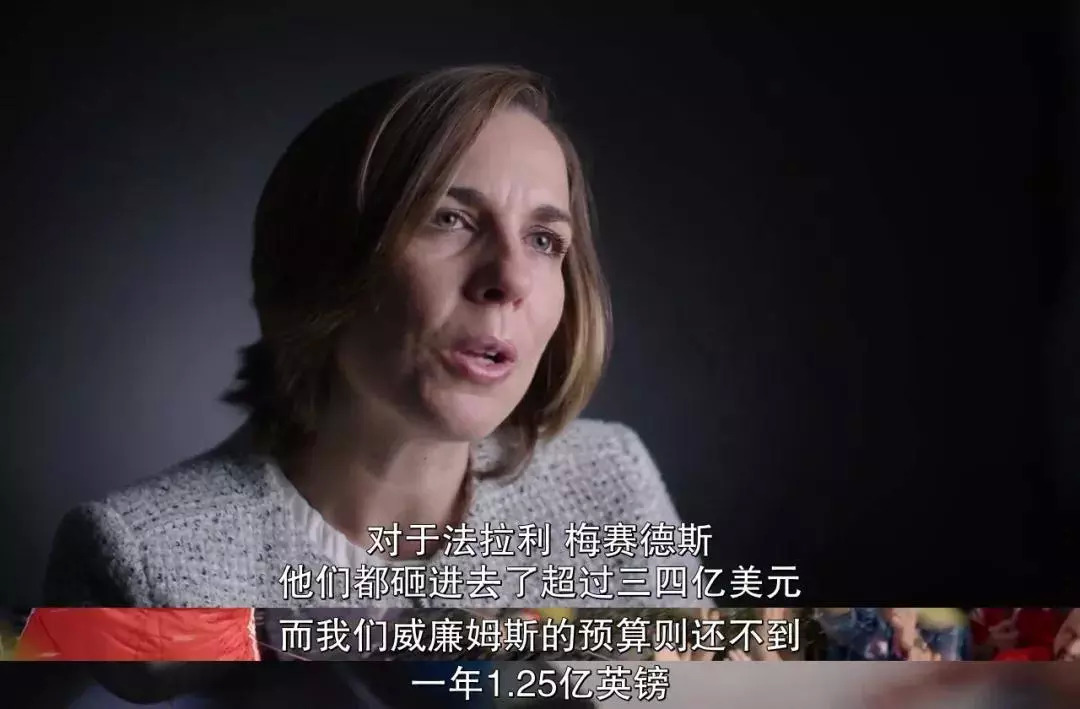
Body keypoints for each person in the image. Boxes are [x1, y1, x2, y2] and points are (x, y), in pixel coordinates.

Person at [41, 65, 705, 609]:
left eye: (543, 239)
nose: (509, 279)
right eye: (449, 218)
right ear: (323, 258)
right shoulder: (140, 557)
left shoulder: (610, 479)